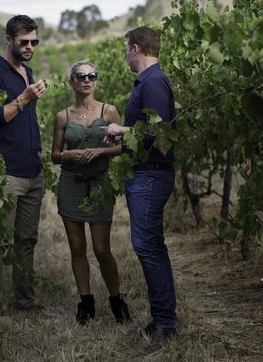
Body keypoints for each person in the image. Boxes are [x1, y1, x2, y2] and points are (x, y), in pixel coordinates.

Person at [102, 26, 178, 351]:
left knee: (148, 248)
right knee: (151, 247)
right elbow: (144, 131)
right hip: (145, 175)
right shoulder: (149, 81)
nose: (124, 55)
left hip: (151, 176)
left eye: (125, 48)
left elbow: (159, 134)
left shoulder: (154, 82)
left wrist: (123, 128)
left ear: (135, 48)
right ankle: (163, 318)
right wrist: (123, 134)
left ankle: (166, 323)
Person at [0, 14, 46, 318]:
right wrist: (24, 98)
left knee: (26, 240)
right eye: (24, 42)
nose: (29, 46)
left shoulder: (26, 71)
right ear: (8, 41)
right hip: (4, 172)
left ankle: (25, 301)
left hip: (32, 170)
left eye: (34, 41)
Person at [51, 60, 131, 326]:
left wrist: (100, 151)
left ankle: (116, 300)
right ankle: (86, 303)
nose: (87, 80)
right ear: (71, 82)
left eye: (91, 76)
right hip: (71, 184)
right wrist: (67, 155)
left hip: (99, 185)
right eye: (81, 76)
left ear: (96, 81)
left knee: (101, 249)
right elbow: (55, 155)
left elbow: (123, 147)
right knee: (76, 247)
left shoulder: (109, 111)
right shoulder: (62, 116)